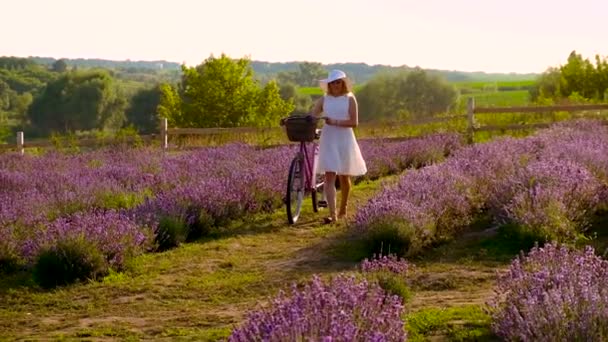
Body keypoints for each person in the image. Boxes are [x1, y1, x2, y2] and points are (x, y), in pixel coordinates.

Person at [310, 69, 367, 224]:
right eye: (333, 82)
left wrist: (335, 122)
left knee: (344, 175)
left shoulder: (350, 99)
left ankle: (344, 207)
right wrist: (309, 121)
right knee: (330, 175)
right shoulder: (324, 99)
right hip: (328, 138)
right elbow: (313, 115)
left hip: (344, 138)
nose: (335, 85)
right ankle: (333, 214)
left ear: (343, 83)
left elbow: (354, 122)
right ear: (329, 84)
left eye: (338, 82)